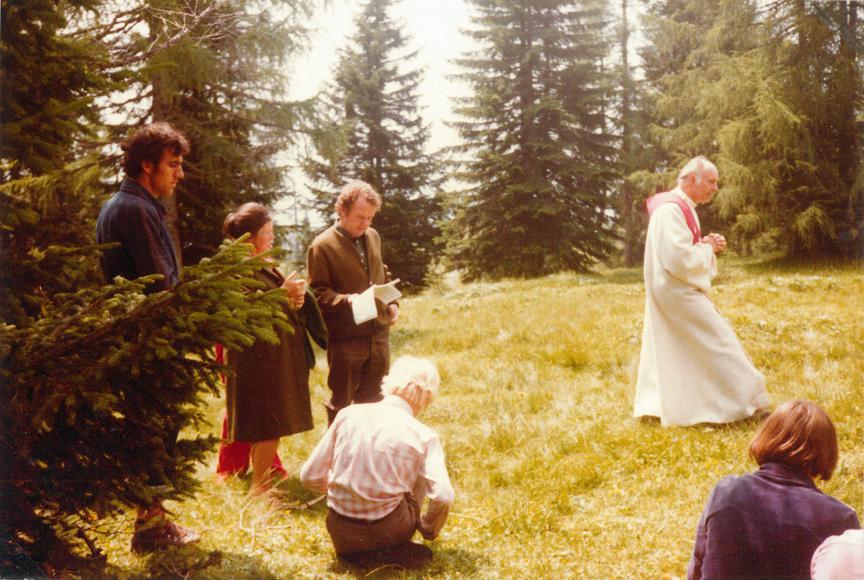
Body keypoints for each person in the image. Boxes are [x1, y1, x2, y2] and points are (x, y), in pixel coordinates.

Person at [95, 122, 198, 552]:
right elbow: (158, 286)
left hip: (139, 338)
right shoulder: (134, 209)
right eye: (172, 165)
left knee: (152, 429)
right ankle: (151, 530)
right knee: (154, 430)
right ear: (146, 164)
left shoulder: (129, 205)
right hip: (149, 340)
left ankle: (151, 522)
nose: (179, 174)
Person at [634, 156, 770, 426]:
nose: (715, 188)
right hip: (678, 292)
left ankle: (666, 405)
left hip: (672, 289)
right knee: (720, 342)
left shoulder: (681, 207)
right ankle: (744, 405)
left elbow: (681, 250)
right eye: (711, 181)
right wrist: (708, 248)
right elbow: (679, 258)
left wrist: (706, 243)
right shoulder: (669, 210)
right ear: (691, 180)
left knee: (680, 348)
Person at [300, 356, 454, 570]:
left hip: (340, 531)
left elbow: (309, 475)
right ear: (427, 396)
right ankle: (390, 551)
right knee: (419, 472)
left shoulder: (348, 414)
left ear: (389, 382)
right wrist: (428, 528)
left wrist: (340, 490)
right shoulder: (424, 436)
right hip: (389, 531)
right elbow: (444, 496)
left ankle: (360, 555)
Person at [687, 400, 860, 579]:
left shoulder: (726, 491)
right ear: (827, 453)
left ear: (766, 437)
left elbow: (696, 570)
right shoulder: (839, 517)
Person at [221, 202, 327, 494]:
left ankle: (262, 483)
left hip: (273, 359)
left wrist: (294, 298)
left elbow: (272, 303)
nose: (272, 238)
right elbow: (242, 311)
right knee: (266, 425)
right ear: (250, 237)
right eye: (267, 233)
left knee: (269, 424)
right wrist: (282, 294)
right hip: (257, 363)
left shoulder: (263, 265)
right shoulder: (237, 269)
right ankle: (260, 490)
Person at [307, 180, 398, 424]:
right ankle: (336, 456)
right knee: (342, 405)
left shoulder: (373, 236)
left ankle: (368, 457)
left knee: (375, 401)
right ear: (342, 211)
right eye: (360, 217)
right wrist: (346, 300)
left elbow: (381, 272)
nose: (365, 224)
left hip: (378, 334)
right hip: (346, 338)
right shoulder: (321, 246)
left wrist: (392, 302)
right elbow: (317, 292)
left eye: (370, 218)